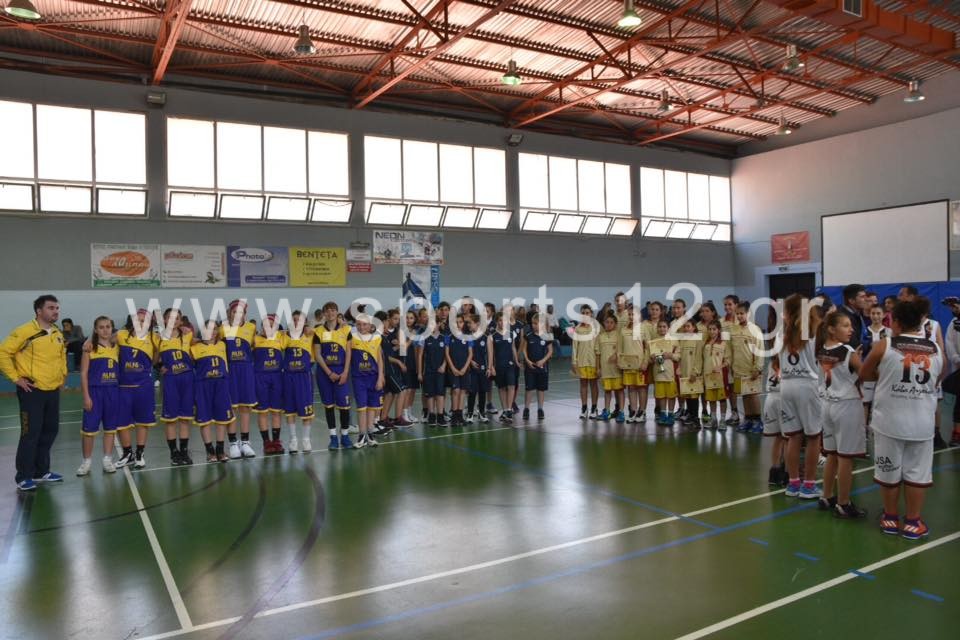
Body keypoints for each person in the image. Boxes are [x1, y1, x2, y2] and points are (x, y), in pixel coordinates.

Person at [860, 299, 943, 539]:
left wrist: (887, 377)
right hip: (922, 421)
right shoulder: (935, 348)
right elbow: (939, 377)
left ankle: (890, 517)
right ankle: (913, 522)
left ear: (895, 322)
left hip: (889, 420)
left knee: (889, 471)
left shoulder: (885, 345)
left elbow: (865, 374)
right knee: (917, 474)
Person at [1, 295, 68, 490]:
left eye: (57, 308)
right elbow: (3, 353)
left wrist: (62, 376)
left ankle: (41, 471)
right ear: (39, 311)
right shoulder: (24, 331)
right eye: (51, 308)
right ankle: (23, 476)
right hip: (32, 390)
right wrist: (16, 378)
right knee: (30, 433)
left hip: (52, 390)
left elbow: (61, 357)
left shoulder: (57, 333)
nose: (55, 311)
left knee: (50, 431)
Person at [816, 311, 867, 518]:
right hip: (847, 405)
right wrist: (862, 361)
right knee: (846, 458)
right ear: (831, 329)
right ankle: (844, 503)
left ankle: (826, 496)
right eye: (845, 325)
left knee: (832, 454)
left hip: (827, 405)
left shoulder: (822, 349)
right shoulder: (847, 351)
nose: (851, 329)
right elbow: (866, 374)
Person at [777, 294, 823, 500]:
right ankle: (809, 485)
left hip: (786, 385)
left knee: (793, 437)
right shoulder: (814, 331)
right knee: (813, 437)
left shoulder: (782, 333)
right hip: (808, 385)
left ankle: (793, 482)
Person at [115, 308, 158, 469]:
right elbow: (101, 339)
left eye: (144, 321)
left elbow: (157, 357)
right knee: (122, 422)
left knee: (142, 421)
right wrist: (88, 341)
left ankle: (140, 453)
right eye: (138, 320)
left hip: (143, 386)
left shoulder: (154, 337)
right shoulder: (121, 335)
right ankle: (127, 454)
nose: (141, 324)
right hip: (123, 386)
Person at [77, 316, 119, 476]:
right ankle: (86, 461)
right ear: (95, 330)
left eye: (108, 326)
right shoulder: (90, 348)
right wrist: (86, 396)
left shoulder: (117, 347)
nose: (105, 330)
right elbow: (83, 373)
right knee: (89, 430)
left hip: (113, 392)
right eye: (101, 327)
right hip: (95, 392)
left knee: (110, 428)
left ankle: (107, 459)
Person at [157, 308, 196, 466]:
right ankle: (174, 453)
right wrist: (159, 367)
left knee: (185, 419)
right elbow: (153, 357)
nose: (173, 321)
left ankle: (184, 452)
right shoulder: (158, 337)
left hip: (187, 379)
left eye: (177, 318)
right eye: (170, 317)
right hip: (171, 380)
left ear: (181, 321)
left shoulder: (188, 335)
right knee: (171, 419)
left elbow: (203, 344)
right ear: (164, 320)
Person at [191, 319, 234, 463]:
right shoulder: (195, 347)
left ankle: (220, 450)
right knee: (205, 419)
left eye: (215, 328)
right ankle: (210, 451)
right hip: (203, 386)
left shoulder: (222, 345)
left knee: (222, 419)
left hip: (221, 384)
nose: (212, 331)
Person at [220, 300, 257, 459]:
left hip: (246, 369)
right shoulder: (222, 329)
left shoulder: (251, 328)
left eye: (240, 312)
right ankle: (233, 443)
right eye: (234, 312)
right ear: (230, 313)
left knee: (245, 407)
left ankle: (245, 442)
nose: (237, 315)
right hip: (230, 370)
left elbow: (256, 346)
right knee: (232, 408)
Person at [315, 302, 353, 450]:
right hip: (325, 373)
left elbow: (349, 353)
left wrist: (345, 372)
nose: (330, 313)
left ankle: (345, 436)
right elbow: (317, 355)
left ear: (337, 312)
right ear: (324, 314)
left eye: (333, 310)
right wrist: (329, 372)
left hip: (342, 371)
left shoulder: (346, 329)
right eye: (327, 311)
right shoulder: (318, 331)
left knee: (344, 406)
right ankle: (333, 438)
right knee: (329, 406)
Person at [252, 315, 287, 454]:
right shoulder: (254, 339)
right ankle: (266, 442)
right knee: (263, 411)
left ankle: (276, 441)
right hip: (260, 377)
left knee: (276, 411)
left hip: (277, 377)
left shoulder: (280, 337)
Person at [283, 310, 315, 453]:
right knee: (290, 410)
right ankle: (293, 440)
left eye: (300, 320)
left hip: (304, 377)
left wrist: (309, 328)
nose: (297, 322)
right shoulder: (285, 336)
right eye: (294, 320)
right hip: (289, 376)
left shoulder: (311, 335)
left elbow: (325, 331)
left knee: (306, 410)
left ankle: (306, 439)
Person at [351, 314, 385, 447]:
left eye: (364, 324)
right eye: (359, 324)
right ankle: (361, 436)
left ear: (370, 325)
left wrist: (380, 377)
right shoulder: (352, 338)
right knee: (361, 408)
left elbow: (380, 360)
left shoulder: (376, 338)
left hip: (373, 377)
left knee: (372, 408)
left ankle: (370, 434)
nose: (361, 327)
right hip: (359, 378)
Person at [730, 301, 764, 432]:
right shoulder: (733, 329)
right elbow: (730, 349)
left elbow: (760, 350)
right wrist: (731, 366)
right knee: (744, 394)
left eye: (742, 313)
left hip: (751, 370)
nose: (739, 316)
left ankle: (758, 420)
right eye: (737, 313)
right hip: (738, 369)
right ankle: (748, 419)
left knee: (752, 394)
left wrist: (758, 368)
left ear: (748, 313)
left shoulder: (755, 329)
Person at [521, 312, 553, 421]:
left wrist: (543, 360)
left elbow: (550, 351)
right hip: (530, 367)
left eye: (536, 323)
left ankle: (540, 409)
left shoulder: (548, 336)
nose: (534, 325)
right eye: (533, 323)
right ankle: (526, 409)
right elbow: (524, 349)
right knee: (529, 388)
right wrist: (527, 360)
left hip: (542, 367)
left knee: (541, 389)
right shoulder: (528, 335)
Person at [619, 305, 647, 424]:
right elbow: (620, 348)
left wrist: (645, 362)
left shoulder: (643, 329)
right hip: (627, 365)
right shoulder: (623, 330)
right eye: (629, 314)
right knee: (631, 388)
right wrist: (620, 362)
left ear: (639, 316)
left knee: (641, 388)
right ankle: (633, 411)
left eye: (633, 314)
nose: (631, 316)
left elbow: (647, 348)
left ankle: (642, 411)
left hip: (640, 365)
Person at [419, 315, 448, 427]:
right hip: (429, 371)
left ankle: (440, 416)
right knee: (430, 394)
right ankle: (431, 415)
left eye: (433, 324)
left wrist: (444, 365)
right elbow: (420, 355)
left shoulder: (444, 337)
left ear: (439, 324)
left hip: (440, 371)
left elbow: (447, 354)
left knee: (440, 393)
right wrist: (420, 372)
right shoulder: (424, 338)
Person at [445, 314, 474, 427]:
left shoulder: (468, 337)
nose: (458, 324)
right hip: (453, 369)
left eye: (460, 322)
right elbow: (447, 353)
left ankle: (460, 415)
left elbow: (470, 354)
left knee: (462, 392)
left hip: (464, 369)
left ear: (463, 323)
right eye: (455, 322)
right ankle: (454, 416)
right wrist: (452, 368)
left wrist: (465, 368)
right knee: (455, 391)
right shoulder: (448, 336)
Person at [572, 305, 600, 420]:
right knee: (583, 384)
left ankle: (594, 407)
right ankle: (584, 408)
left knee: (593, 384)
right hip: (582, 361)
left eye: (587, 313)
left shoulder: (596, 327)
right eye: (583, 313)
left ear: (591, 314)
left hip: (593, 361)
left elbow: (599, 345)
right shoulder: (578, 328)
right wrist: (574, 362)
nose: (585, 315)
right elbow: (575, 346)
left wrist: (599, 363)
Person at [490, 311, 519, 424]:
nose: (502, 323)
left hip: (510, 365)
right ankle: (505, 410)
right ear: (497, 322)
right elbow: (491, 353)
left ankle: (509, 410)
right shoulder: (493, 336)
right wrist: (492, 366)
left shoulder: (511, 333)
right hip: (499, 366)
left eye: (504, 320)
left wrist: (516, 360)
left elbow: (513, 348)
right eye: (500, 320)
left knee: (511, 386)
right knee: (501, 388)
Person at [650, 319, 679, 425]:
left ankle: (671, 414)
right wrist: (652, 358)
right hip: (658, 373)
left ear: (668, 328)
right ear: (657, 328)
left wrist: (671, 355)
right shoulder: (653, 342)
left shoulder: (674, 341)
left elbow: (678, 356)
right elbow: (650, 359)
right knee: (661, 396)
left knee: (671, 395)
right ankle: (663, 413)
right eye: (660, 326)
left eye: (664, 327)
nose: (662, 329)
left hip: (670, 373)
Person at [703, 319, 731, 430]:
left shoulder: (724, 343)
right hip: (708, 376)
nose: (712, 331)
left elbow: (728, 360)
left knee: (722, 399)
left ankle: (722, 420)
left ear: (718, 330)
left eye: (714, 329)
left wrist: (721, 366)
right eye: (709, 329)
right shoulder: (706, 343)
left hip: (720, 376)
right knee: (711, 399)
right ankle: (713, 419)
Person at [676, 318, 704, 428]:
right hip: (684, 374)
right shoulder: (683, 340)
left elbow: (699, 357)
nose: (686, 328)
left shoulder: (698, 339)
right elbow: (680, 356)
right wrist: (679, 368)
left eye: (689, 326)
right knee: (688, 395)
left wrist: (695, 372)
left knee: (694, 397)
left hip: (693, 374)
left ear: (694, 327)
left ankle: (696, 419)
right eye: (685, 327)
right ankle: (691, 416)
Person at [597, 312, 624, 423]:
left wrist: (616, 355)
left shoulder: (619, 336)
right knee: (607, 391)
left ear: (615, 324)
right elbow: (598, 354)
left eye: (611, 322)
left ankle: (621, 412)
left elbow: (622, 350)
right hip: (605, 370)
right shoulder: (600, 337)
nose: (609, 324)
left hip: (616, 369)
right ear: (603, 323)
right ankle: (607, 411)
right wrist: (598, 368)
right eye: (607, 322)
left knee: (619, 390)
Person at [465, 314, 491, 424]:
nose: (468, 325)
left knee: (482, 391)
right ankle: (470, 413)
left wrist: (489, 367)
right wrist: (471, 361)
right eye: (467, 323)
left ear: (477, 323)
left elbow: (490, 353)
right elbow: (465, 353)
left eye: (470, 322)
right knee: (472, 391)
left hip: (483, 369)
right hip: (471, 370)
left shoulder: (486, 337)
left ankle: (481, 413)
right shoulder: (467, 337)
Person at [401, 310, 422, 425]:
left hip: (414, 362)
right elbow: (403, 347)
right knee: (408, 390)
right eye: (407, 317)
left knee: (413, 389)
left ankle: (409, 412)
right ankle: (403, 414)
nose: (409, 320)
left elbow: (418, 349)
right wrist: (411, 337)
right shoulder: (401, 331)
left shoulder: (417, 332)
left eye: (411, 318)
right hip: (405, 361)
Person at [836, 284, 867, 349]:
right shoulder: (843, 318)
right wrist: (870, 345)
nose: (866, 299)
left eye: (865, 296)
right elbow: (853, 344)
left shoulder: (856, 314)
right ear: (851, 301)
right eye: (862, 297)